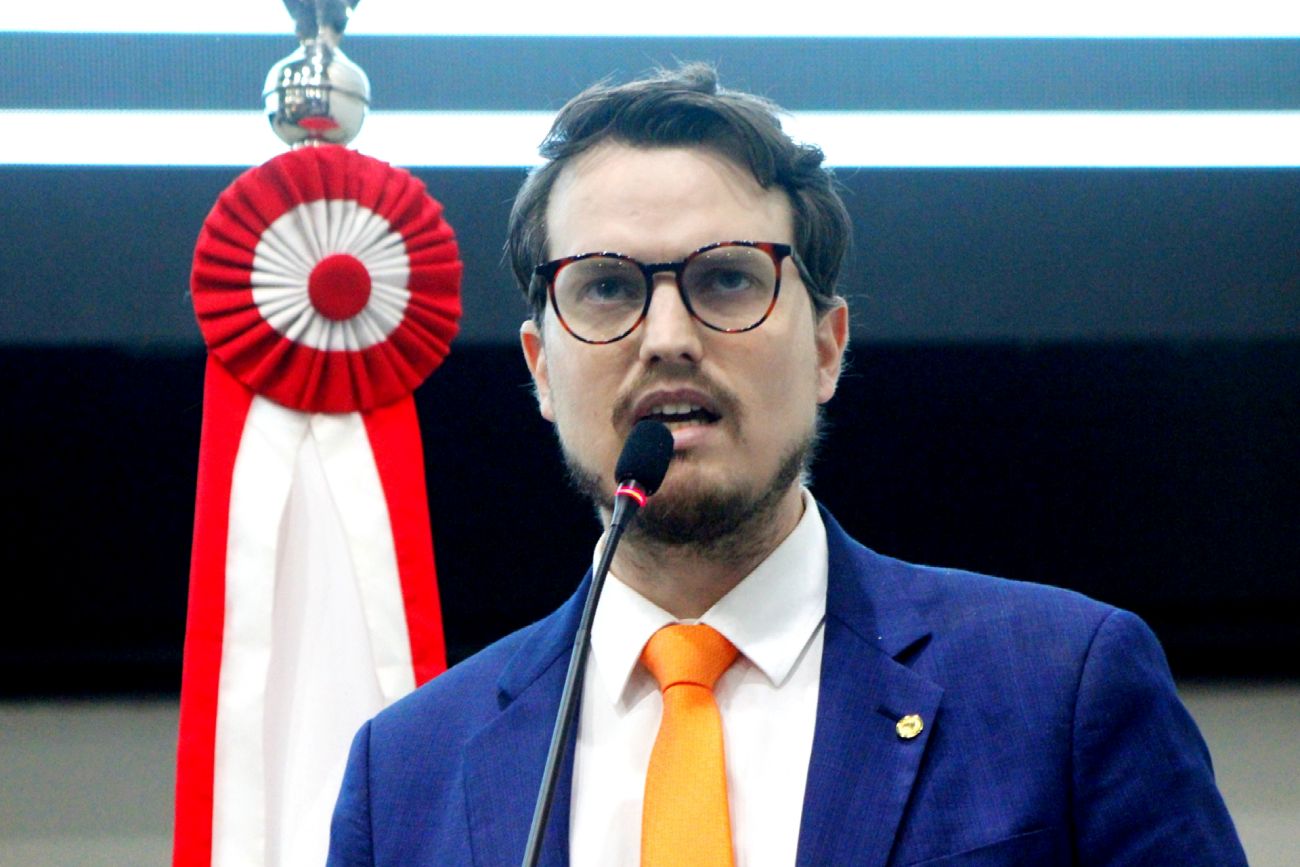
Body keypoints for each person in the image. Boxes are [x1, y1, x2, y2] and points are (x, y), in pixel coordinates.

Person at [327, 63, 1246, 866]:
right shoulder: (407, 769)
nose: (668, 337)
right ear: (539, 368)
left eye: (727, 278)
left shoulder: (1061, 686)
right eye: (606, 287)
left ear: (827, 347)